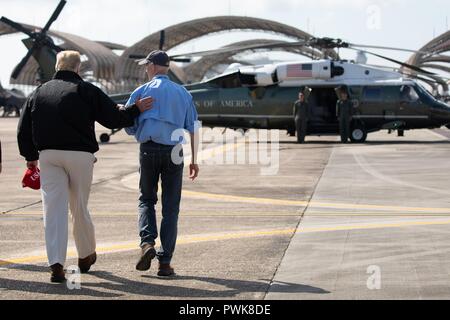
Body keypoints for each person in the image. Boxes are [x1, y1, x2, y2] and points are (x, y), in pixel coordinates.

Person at [17, 50, 153, 283]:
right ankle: (85, 255)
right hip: (80, 156)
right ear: (78, 69)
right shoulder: (87, 90)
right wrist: (135, 109)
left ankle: (56, 265)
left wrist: (30, 156)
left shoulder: (39, 92)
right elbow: (112, 118)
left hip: (48, 156)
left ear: (57, 67)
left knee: (53, 210)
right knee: (78, 207)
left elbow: (23, 128)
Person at [125, 50, 200, 277]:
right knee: (171, 207)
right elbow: (193, 127)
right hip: (175, 152)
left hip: (148, 150)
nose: (145, 70)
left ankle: (147, 243)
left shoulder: (141, 91)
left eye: (146, 66)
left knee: (146, 199)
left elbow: (128, 124)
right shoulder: (183, 94)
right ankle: (165, 263)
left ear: (152, 66)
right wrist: (194, 160)